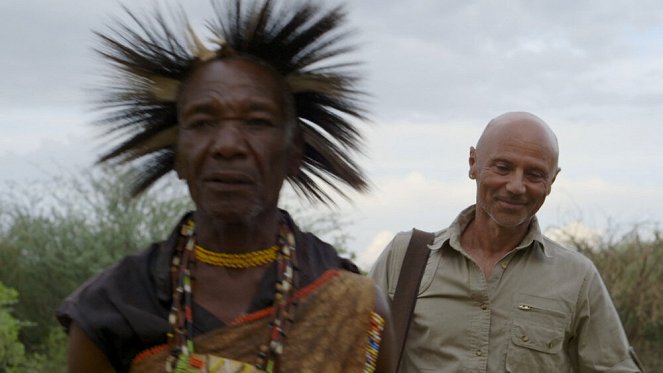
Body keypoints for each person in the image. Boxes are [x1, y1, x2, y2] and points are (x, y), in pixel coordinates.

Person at [57, 1, 395, 372]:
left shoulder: (355, 306)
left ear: (294, 151)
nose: (228, 145)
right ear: (178, 156)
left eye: (257, 122)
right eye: (202, 123)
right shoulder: (112, 308)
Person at [370, 112, 644, 372]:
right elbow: (355, 357)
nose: (516, 186)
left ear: (552, 181)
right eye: (503, 167)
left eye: (534, 174)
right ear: (473, 164)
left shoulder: (578, 277)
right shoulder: (404, 258)